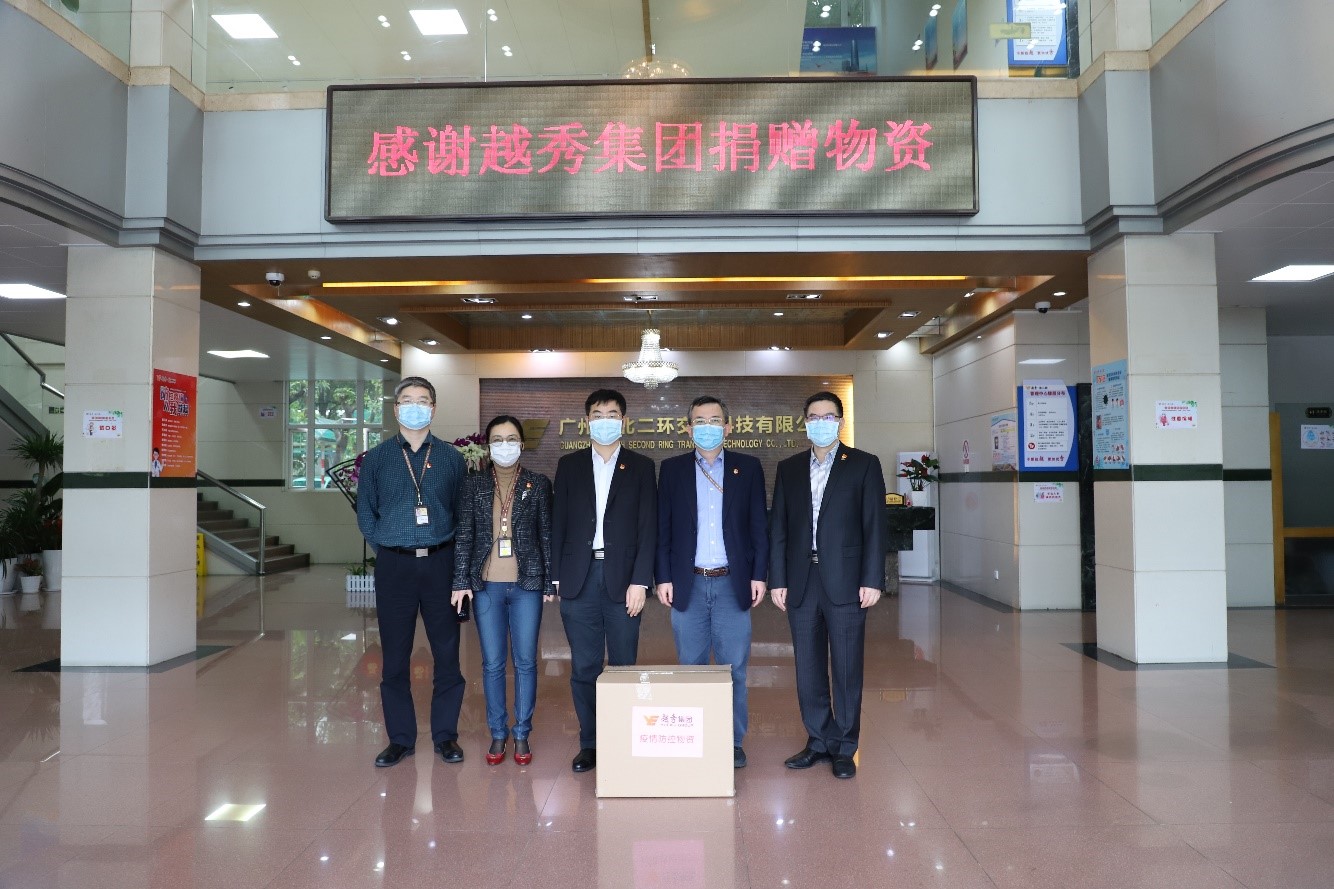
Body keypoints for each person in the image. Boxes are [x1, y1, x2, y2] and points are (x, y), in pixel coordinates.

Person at [768, 391, 886, 779]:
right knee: (808, 667)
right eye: (814, 417)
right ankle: (818, 740)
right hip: (802, 581)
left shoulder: (864, 464)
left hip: (847, 582)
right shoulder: (789, 468)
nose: (821, 423)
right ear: (804, 422)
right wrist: (777, 579)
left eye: (828, 416)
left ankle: (845, 746)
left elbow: (874, 525)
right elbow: (779, 528)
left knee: (847, 667)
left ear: (840, 422)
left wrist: (872, 578)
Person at [356, 376, 468, 768]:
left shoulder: (452, 459)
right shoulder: (377, 459)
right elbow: (365, 514)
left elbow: (462, 514)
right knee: (394, 657)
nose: (415, 407)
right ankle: (400, 739)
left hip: (441, 562)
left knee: (447, 654)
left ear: (433, 409)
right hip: (395, 566)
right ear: (396, 408)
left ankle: (445, 736)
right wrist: (390, 548)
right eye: (407, 400)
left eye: (423, 400)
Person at [655, 395, 768, 769]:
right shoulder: (671, 470)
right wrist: (663, 577)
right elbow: (663, 530)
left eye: (714, 420)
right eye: (699, 421)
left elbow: (759, 526)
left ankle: (732, 741)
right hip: (687, 583)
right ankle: (695, 736)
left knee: (735, 669)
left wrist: (759, 574)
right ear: (688, 429)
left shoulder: (747, 468)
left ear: (728, 427)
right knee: (691, 667)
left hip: (732, 584)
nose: (707, 427)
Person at [550, 388, 656, 773]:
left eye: (612, 414)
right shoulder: (569, 465)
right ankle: (591, 742)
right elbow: (558, 522)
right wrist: (556, 577)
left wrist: (641, 581)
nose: (605, 420)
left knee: (624, 665)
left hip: (623, 579)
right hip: (578, 578)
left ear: (624, 421)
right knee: (584, 666)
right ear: (587, 421)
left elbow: (648, 527)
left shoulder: (641, 466)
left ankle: (624, 739)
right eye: (597, 414)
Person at [451, 415, 553, 767]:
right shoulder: (473, 485)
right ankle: (498, 732)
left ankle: (522, 732)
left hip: (527, 585)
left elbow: (546, 534)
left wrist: (549, 580)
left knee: (525, 662)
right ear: (487, 446)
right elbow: (464, 535)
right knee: (493, 663)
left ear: (522, 444)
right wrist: (460, 581)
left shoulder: (537, 483)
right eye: (497, 439)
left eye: (511, 439)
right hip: (487, 587)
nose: (504, 446)